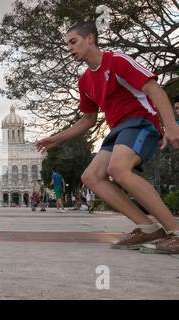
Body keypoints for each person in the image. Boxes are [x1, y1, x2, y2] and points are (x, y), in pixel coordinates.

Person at [36, 22, 179, 254]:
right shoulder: (84, 82)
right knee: (91, 177)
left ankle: (175, 231)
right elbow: (88, 120)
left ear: (90, 39)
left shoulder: (117, 61)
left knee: (118, 169)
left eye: (73, 42)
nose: (69, 48)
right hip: (117, 130)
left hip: (141, 121)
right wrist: (57, 138)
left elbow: (153, 88)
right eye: (67, 45)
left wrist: (171, 125)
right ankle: (148, 227)